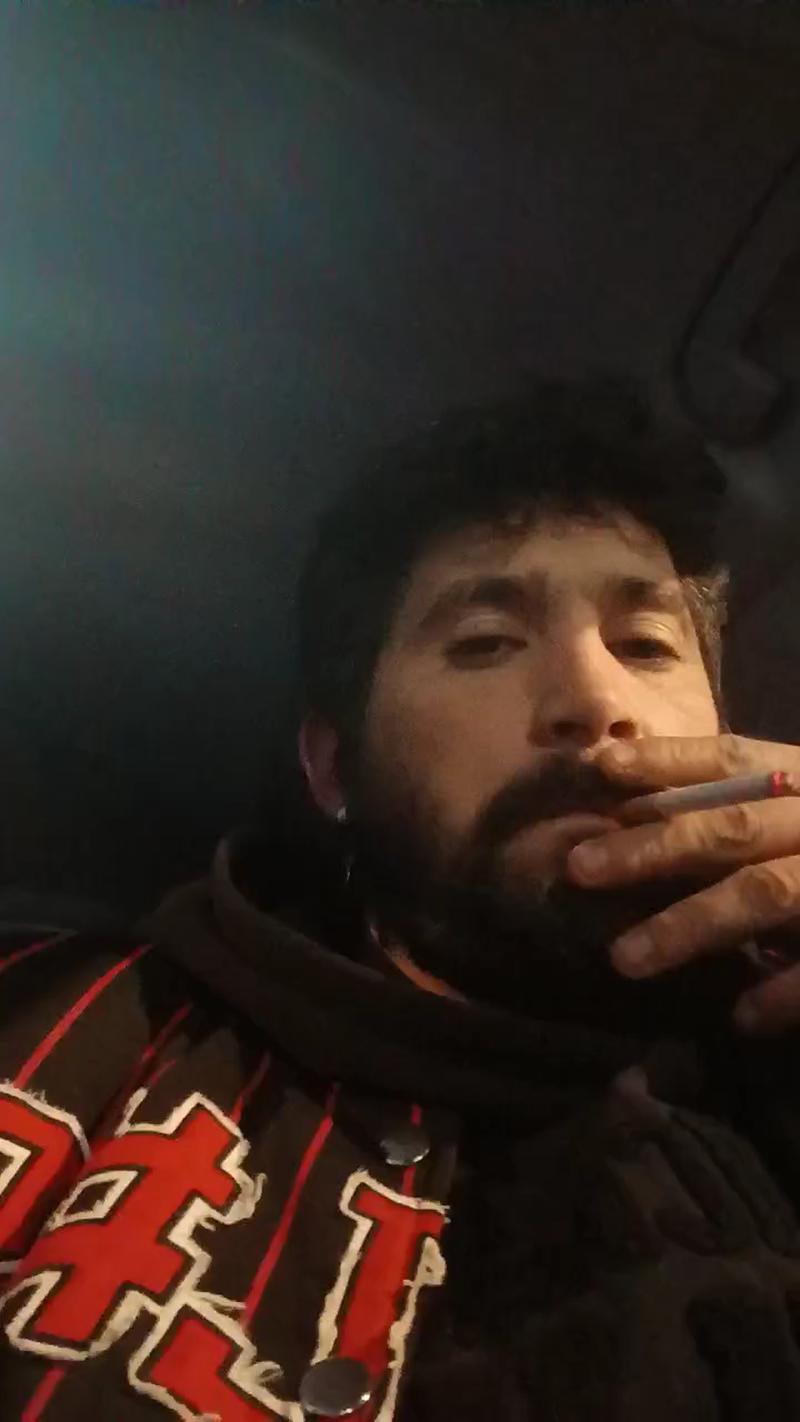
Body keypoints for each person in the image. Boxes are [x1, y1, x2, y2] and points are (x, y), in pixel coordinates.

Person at [3, 381, 800, 1422]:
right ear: (333, 768)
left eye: (645, 645)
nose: (595, 701)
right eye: (484, 642)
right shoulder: (35, 1014)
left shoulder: (759, 1147)